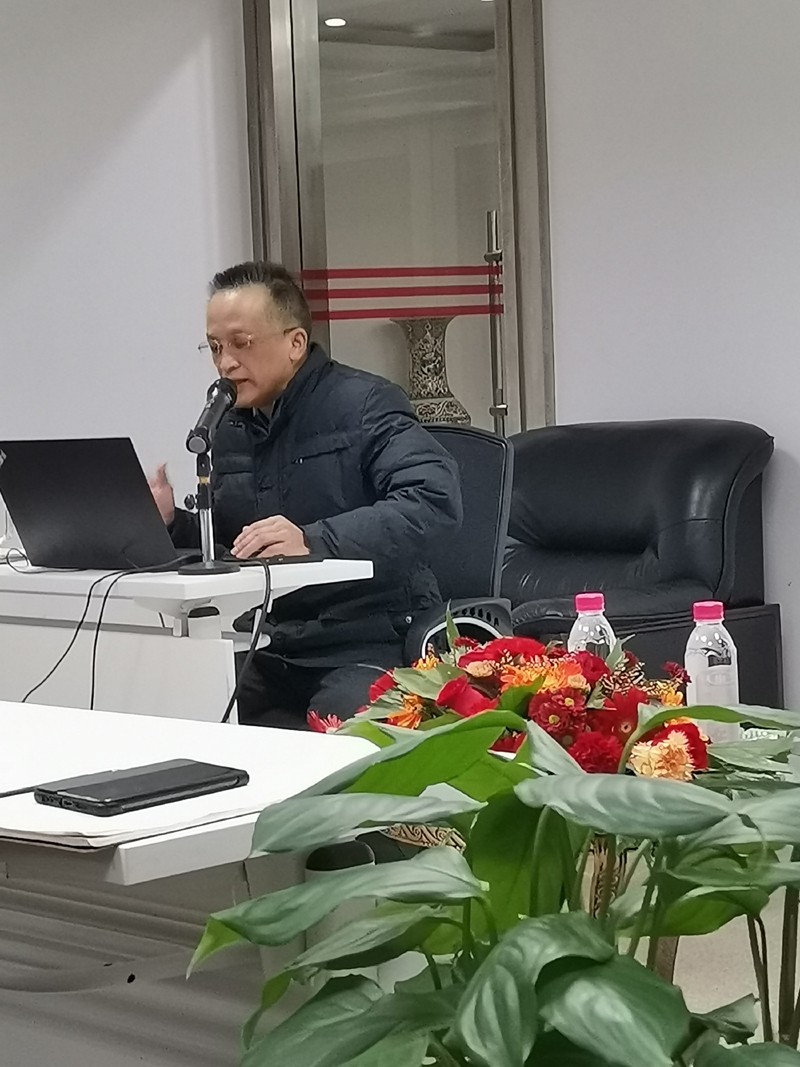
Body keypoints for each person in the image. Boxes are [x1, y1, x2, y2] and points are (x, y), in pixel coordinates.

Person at [149, 260, 462, 729]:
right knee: (178, 709)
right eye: (214, 347)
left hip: (367, 637)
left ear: (295, 343)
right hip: (271, 643)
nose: (225, 363)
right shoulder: (229, 426)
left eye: (241, 343)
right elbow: (239, 542)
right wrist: (173, 523)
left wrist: (314, 541)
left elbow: (433, 500)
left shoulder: (364, 403)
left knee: (335, 731)